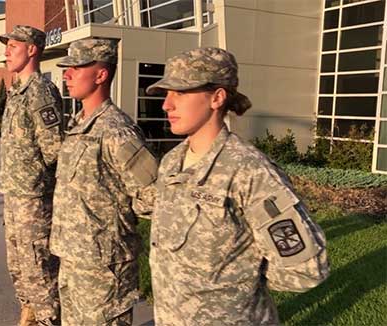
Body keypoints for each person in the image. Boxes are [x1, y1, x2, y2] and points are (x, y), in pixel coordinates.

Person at [145, 47, 330, 325]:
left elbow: (306, 268)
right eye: (166, 94)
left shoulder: (248, 169)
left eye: (180, 93)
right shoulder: (172, 162)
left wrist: (242, 282)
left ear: (217, 98)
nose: (166, 105)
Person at [49, 38, 159, 325]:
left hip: (103, 266)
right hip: (73, 256)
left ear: (101, 75)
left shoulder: (116, 130)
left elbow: (152, 195)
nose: (67, 74)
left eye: (76, 67)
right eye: (67, 68)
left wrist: (115, 224)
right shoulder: (77, 125)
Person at [0, 25, 63, 326]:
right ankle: (29, 316)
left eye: (13, 45)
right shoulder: (16, 92)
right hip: (13, 194)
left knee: (39, 270)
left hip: (34, 201)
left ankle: (49, 320)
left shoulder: (41, 92)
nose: (7, 51)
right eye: (6, 46)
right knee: (18, 267)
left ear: (32, 49)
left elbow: (55, 151)